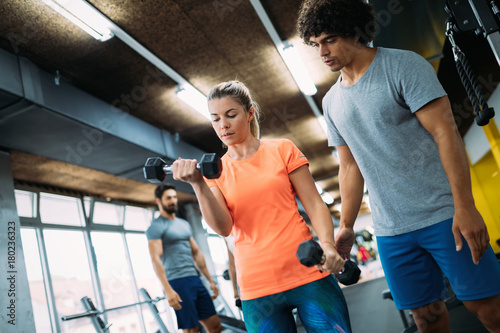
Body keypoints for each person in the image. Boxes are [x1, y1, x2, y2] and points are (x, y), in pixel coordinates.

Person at [296, 1, 500, 332]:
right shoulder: (331, 103)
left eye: (329, 39)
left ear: (354, 32)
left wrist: (465, 206)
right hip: (391, 231)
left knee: (488, 307)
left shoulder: (403, 66)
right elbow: (349, 167)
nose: (321, 51)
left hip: (443, 215)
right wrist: (346, 225)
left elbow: (445, 134)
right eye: (315, 43)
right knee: (426, 317)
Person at [171, 80, 352, 333]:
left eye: (231, 115)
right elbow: (223, 228)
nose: (223, 124)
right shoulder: (215, 172)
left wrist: (328, 246)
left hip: (309, 271)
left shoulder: (282, 149)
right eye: (215, 119)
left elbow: (314, 203)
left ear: (250, 113)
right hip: (257, 287)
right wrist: (198, 185)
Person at [146, 184, 222, 333]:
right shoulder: (156, 227)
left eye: (174, 197)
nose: (173, 201)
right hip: (177, 282)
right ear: (158, 201)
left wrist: (210, 280)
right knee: (191, 330)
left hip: (194, 278)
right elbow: (155, 258)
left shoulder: (184, 224)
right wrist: (168, 290)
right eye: (168, 198)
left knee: (215, 326)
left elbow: (196, 253)